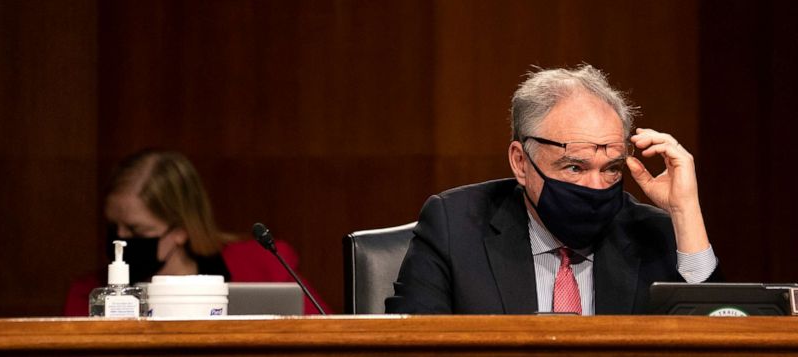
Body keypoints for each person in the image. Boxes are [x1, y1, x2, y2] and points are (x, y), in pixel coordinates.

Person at [386, 64, 720, 314]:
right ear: (521, 162)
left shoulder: (651, 234)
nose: (596, 186)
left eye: (612, 169)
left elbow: (718, 348)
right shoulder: (455, 228)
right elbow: (407, 350)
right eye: (575, 167)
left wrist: (684, 212)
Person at [64, 149, 329, 315]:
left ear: (180, 228)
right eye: (113, 226)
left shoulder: (262, 267)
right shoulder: (90, 293)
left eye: (135, 229)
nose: (120, 238)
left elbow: (327, 338)